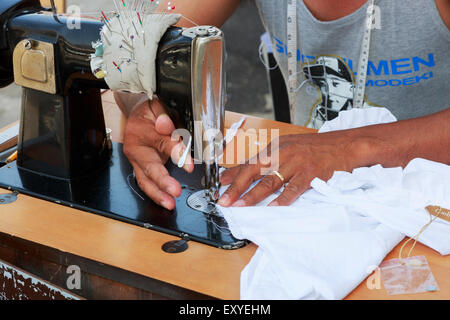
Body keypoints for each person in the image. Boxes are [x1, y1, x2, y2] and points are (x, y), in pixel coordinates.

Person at [115, 0, 450, 210]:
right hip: (309, 193)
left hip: (429, 203)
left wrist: (349, 148)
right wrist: (142, 106)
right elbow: (134, 50)